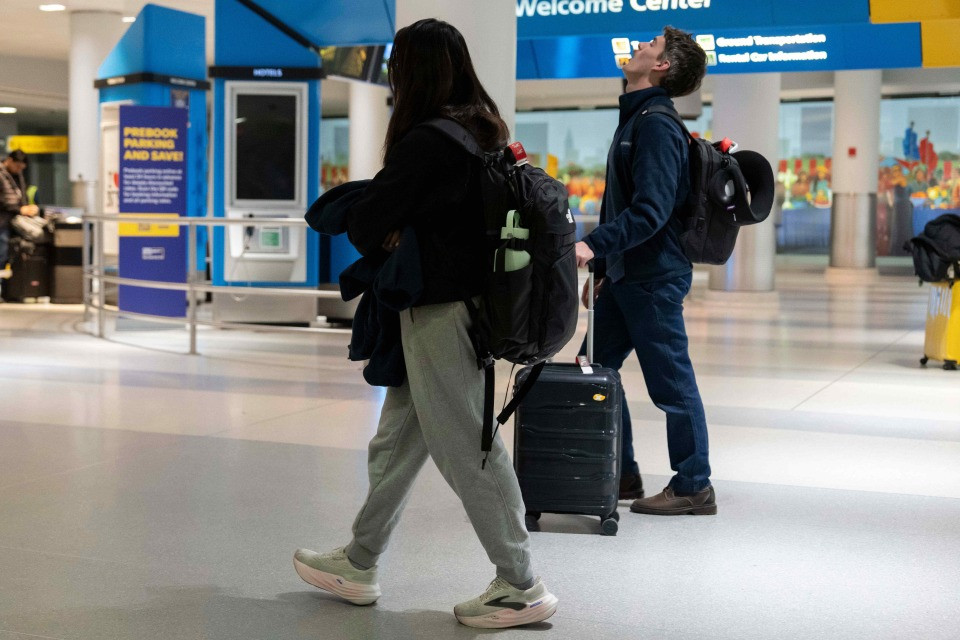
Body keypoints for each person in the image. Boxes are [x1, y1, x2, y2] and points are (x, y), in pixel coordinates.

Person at [292, 19, 558, 629]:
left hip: (439, 313)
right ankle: (359, 560)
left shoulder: (428, 141)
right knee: (397, 439)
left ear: (411, 72)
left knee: (467, 446)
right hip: (463, 306)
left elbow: (367, 221)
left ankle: (520, 583)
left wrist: (390, 226)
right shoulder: (482, 132)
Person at [573, 26, 716, 516]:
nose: (639, 46)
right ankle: (623, 474)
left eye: (650, 45)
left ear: (661, 66)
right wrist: (605, 269)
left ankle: (694, 485)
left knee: (671, 385)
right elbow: (623, 205)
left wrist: (593, 245)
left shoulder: (656, 124)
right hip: (628, 275)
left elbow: (650, 211)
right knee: (594, 369)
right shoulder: (637, 118)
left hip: (654, 278)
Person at [0, 150, 40, 274]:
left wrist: (28, 208)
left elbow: (21, 195)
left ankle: (10, 282)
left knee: (13, 252)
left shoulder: (18, 175)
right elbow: (3, 200)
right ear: (9, 160)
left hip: (16, 220)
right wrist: (20, 209)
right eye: (17, 166)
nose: (19, 170)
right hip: (2, 221)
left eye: (21, 168)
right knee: (2, 252)